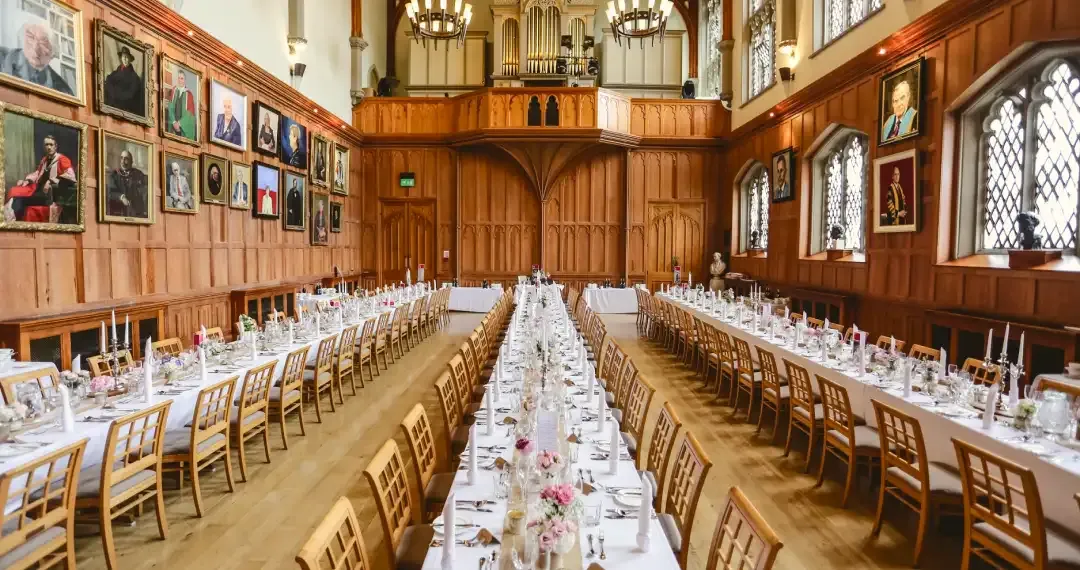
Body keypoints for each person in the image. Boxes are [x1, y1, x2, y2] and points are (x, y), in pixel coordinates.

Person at [4, 134, 77, 223]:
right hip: (38, 191)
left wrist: (51, 181)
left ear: (56, 146)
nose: (49, 147)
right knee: (15, 197)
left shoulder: (62, 159)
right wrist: (27, 180)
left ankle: (12, 223)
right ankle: (14, 222)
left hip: (49, 196)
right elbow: (38, 173)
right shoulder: (44, 160)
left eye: (51, 145)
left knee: (19, 201)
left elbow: (71, 176)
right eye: (46, 145)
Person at [0, 20, 73, 96]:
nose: (35, 47)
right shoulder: (2, 57)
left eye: (43, 42)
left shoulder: (63, 90)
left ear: (52, 53)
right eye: (31, 37)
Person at [106, 149, 148, 219]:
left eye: (126, 159)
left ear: (131, 162)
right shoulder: (114, 174)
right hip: (119, 211)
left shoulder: (138, 174)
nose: (123, 161)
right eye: (121, 158)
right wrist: (122, 197)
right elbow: (111, 193)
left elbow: (146, 189)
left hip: (135, 212)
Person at [104, 45, 144, 116]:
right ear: (121, 58)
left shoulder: (134, 77)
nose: (125, 59)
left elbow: (130, 94)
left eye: (127, 57)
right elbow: (108, 80)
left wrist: (115, 94)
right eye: (123, 57)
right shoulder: (116, 72)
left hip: (124, 107)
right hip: (111, 103)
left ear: (130, 59)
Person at [165, 67, 196, 139]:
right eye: (178, 78)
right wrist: (173, 122)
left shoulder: (189, 94)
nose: (179, 80)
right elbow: (170, 107)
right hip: (173, 126)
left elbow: (190, 113)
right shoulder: (174, 91)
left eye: (181, 78)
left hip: (183, 127)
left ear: (185, 80)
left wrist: (179, 123)